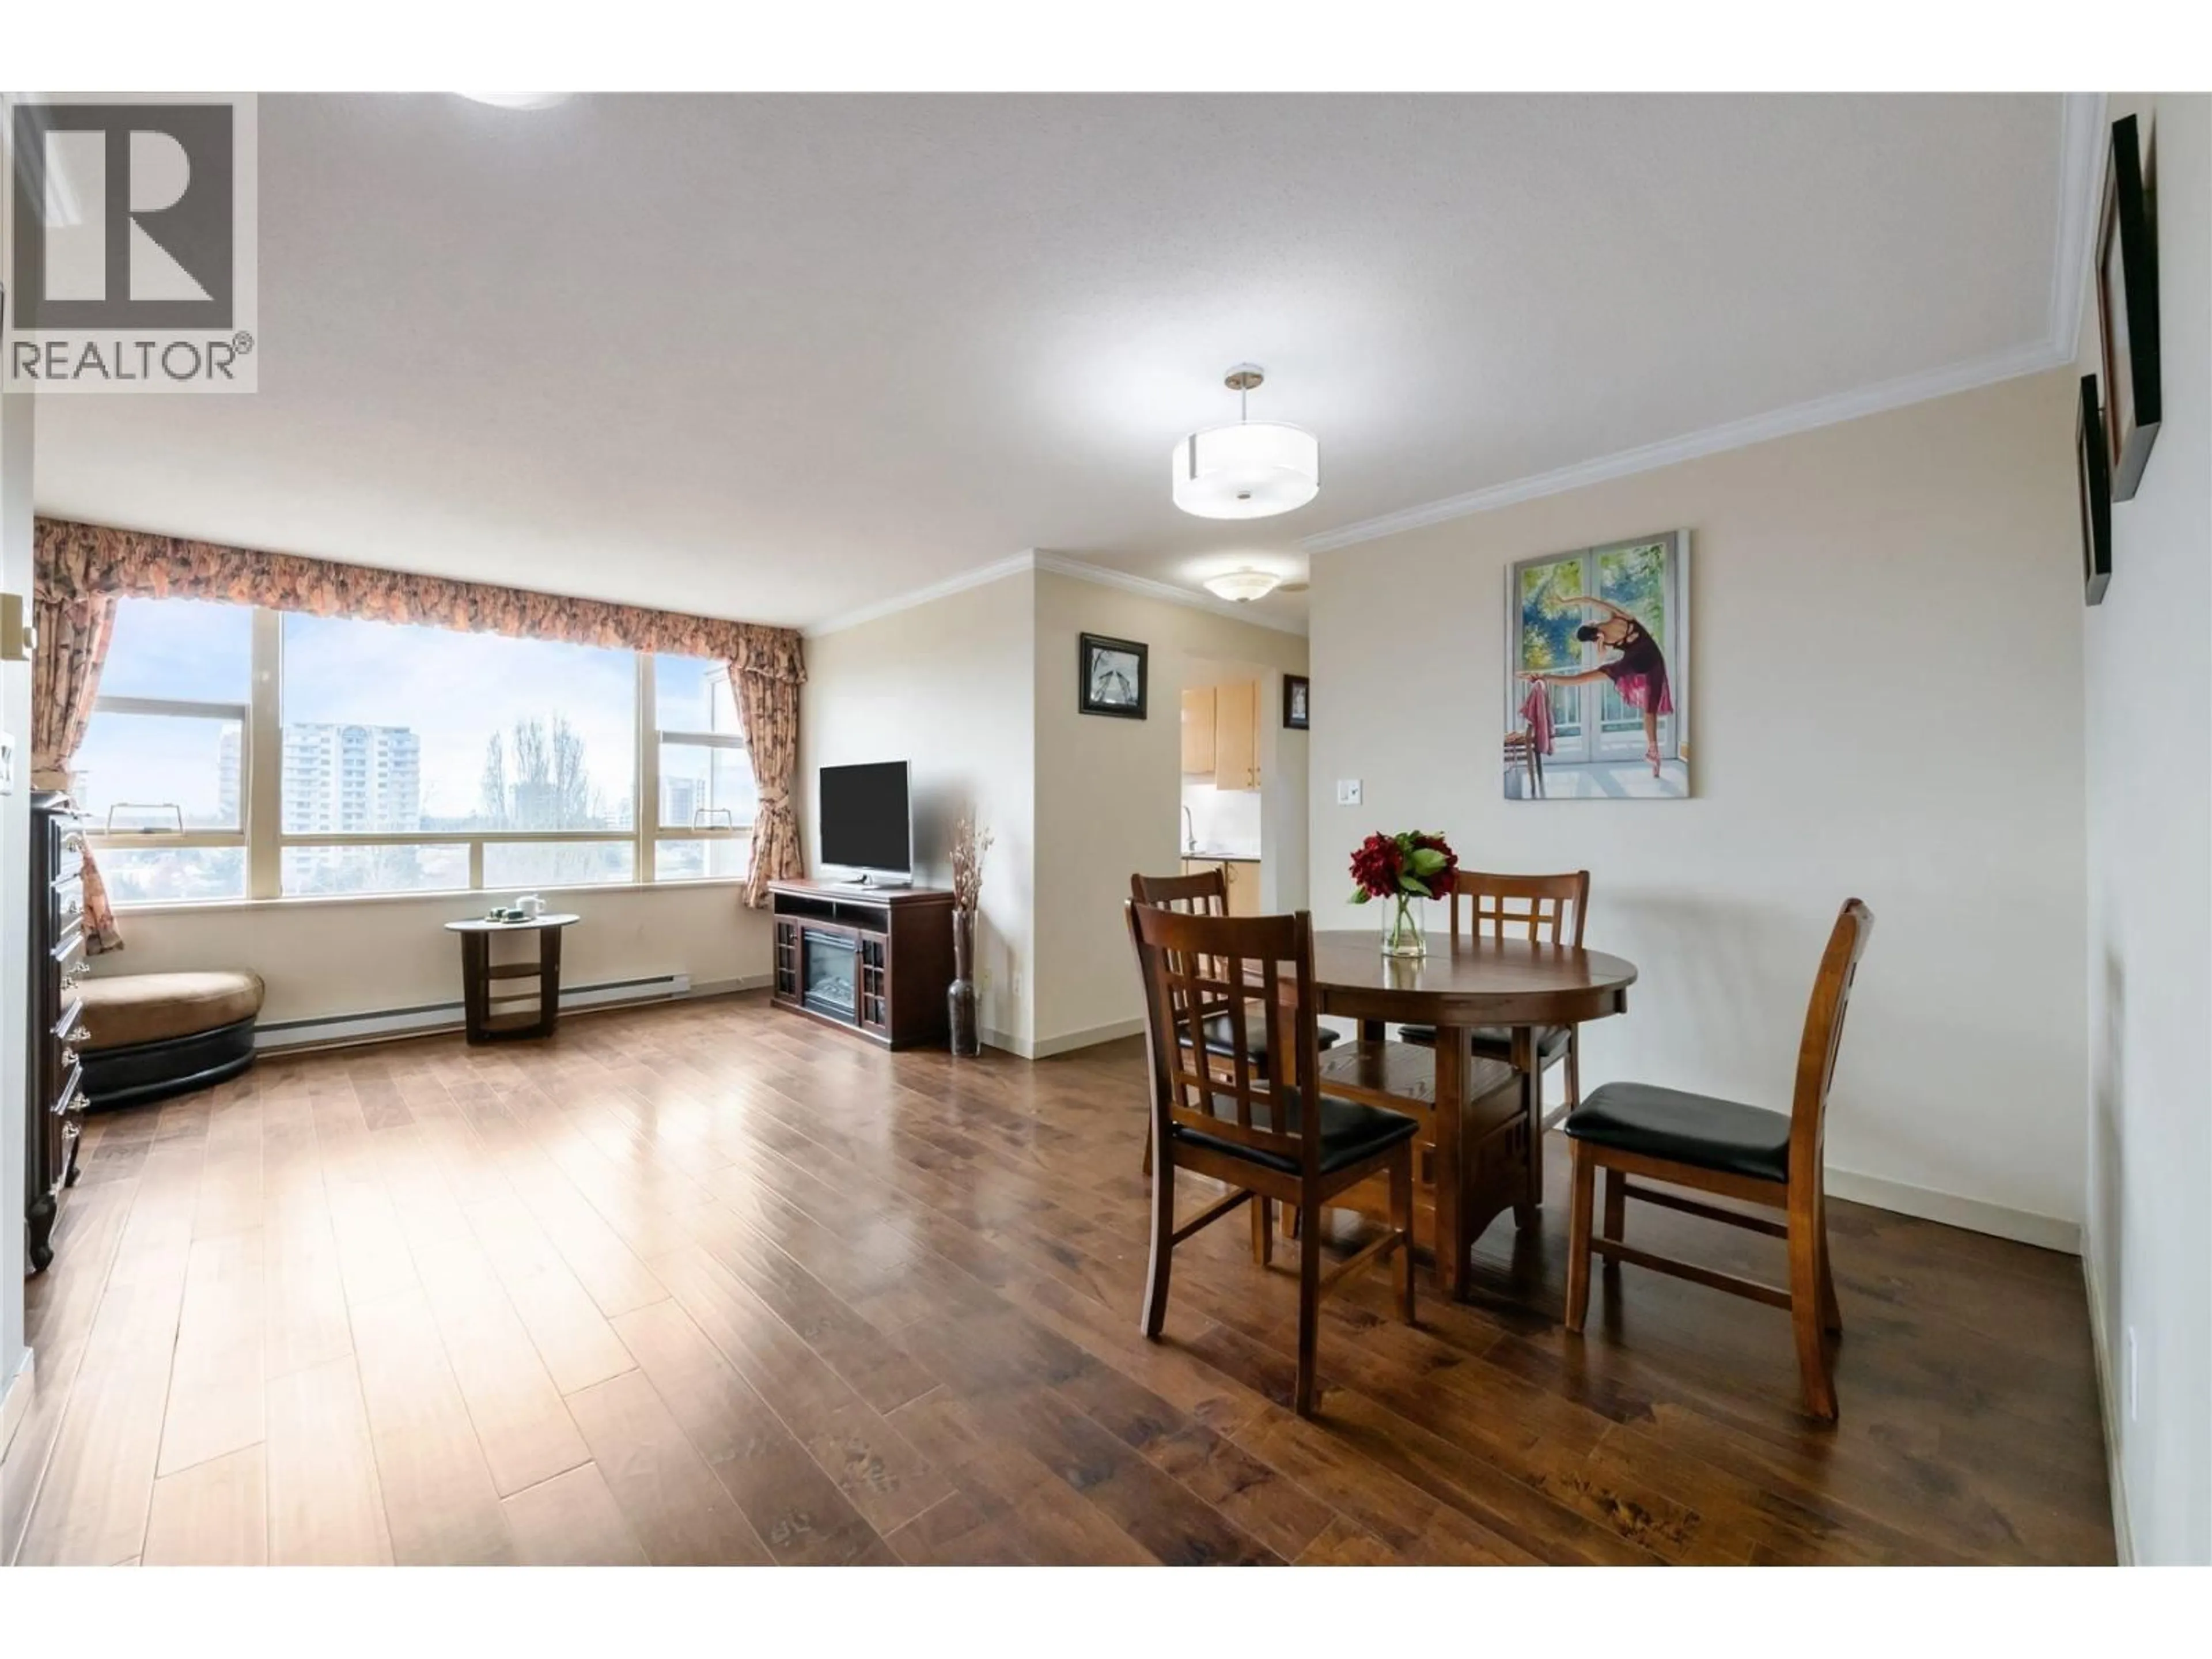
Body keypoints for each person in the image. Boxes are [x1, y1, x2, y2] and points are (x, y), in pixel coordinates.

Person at [1522, 594, 1671, 776]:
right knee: (1650, 711)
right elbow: (1590, 600)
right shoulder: (1620, 617)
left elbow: (1601, 659)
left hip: (1633, 663)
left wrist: (1601, 643)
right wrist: (1565, 602)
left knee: (1583, 678)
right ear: (1592, 626)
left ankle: (1545, 677)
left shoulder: (1603, 640)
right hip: (1653, 660)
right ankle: (1654, 752)